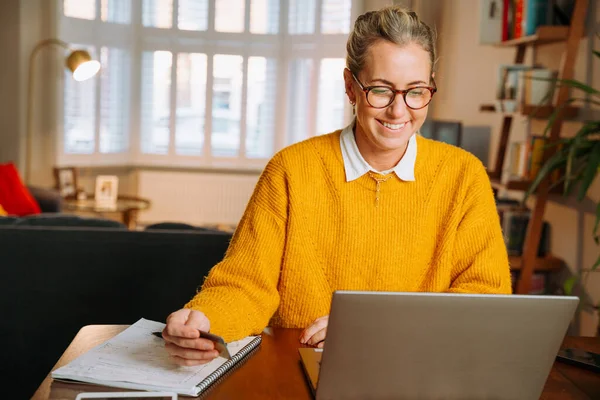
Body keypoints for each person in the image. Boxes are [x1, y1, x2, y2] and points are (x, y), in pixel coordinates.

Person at [162, 6, 511, 366]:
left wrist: (372, 328)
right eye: (380, 90)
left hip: (420, 369)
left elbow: (485, 297)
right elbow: (246, 284)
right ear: (350, 87)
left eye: (416, 91)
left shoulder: (464, 174)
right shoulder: (290, 170)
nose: (398, 110)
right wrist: (204, 320)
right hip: (302, 367)